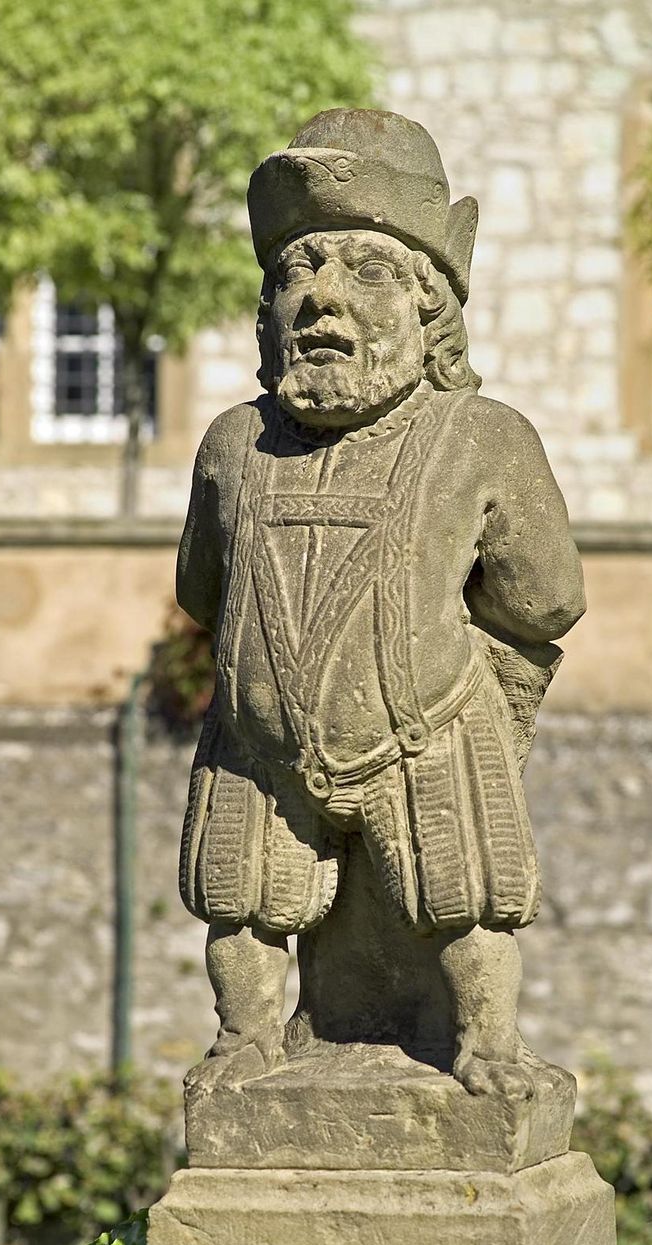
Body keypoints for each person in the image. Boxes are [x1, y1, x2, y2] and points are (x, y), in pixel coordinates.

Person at [176, 109, 585, 1096]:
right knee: (239, 904)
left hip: (423, 732)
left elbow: (544, 599)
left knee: (467, 901)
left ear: (427, 310)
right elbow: (202, 588)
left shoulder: (480, 438)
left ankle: (484, 1044)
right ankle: (245, 1040)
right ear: (265, 318)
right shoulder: (235, 448)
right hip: (260, 751)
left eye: (364, 272)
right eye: (294, 275)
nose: (319, 299)